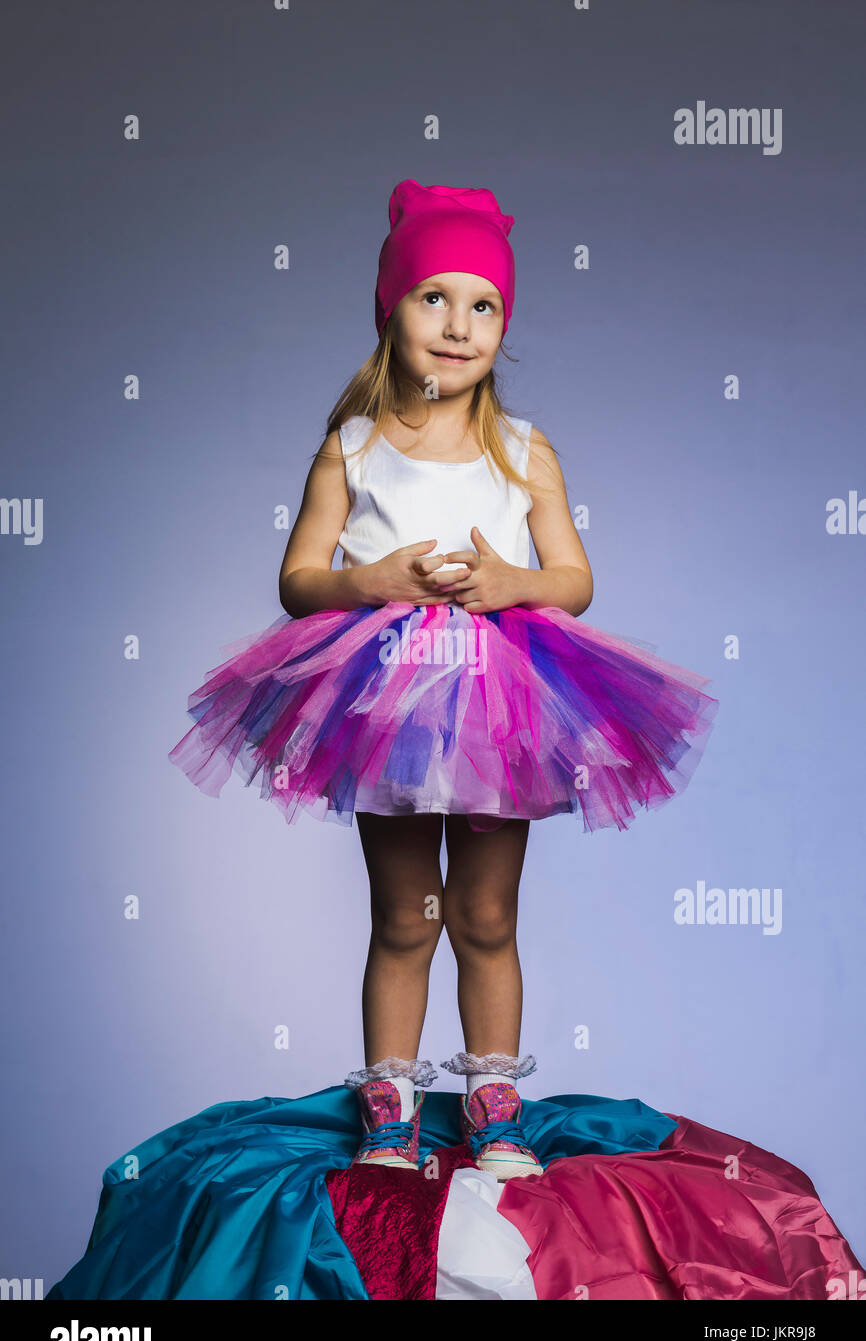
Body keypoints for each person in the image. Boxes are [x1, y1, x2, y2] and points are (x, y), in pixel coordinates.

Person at [168, 179, 718, 1182]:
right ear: (389, 309)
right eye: (434, 298)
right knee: (400, 912)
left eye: (484, 306)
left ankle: (493, 1107)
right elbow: (297, 579)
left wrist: (511, 582)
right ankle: (390, 1111)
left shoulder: (522, 451)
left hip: (500, 697)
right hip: (384, 700)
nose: (459, 326)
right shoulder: (353, 449)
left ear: (503, 326)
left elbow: (574, 579)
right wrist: (368, 580)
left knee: (488, 914)